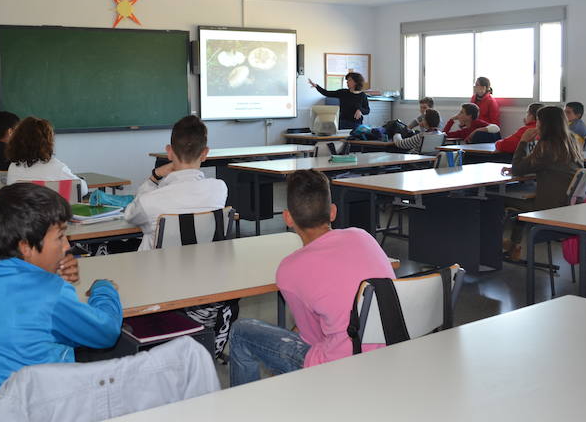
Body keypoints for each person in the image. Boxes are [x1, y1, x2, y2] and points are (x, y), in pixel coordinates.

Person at [0, 183, 122, 422]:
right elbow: (106, 332)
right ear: (25, 246)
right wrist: (103, 289)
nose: (67, 246)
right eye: (60, 237)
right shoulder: (50, 293)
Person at [228, 170, 394, 387]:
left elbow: (313, 338)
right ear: (332, 212)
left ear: (288, 218)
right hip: (388, 353)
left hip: (337, 370)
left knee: (241, 331)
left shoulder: (289, 270)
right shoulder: (363, 236)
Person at [124, 115, 233, 355]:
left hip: (157, 286)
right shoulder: (219, 189)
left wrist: (155, 177)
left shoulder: (151, 200)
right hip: (206, 283)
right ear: (205, 153)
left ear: (169, 152)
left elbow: (130, 215)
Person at [501, 106, 583, 260]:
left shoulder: (547, 145)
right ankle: (513, 246)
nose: (537, 124)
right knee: (523, 199)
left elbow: (518, 169)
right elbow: (548, 166)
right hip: (566, 204)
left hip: (548, 207)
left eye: (538, 120)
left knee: (498, 199)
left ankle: (497, 245)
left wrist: (523, 142)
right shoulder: (571, 141)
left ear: (545, 123)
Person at [5, 116, 88, 197]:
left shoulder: (13, 167)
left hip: (21, 207)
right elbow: (82, 190)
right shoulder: (56, 167)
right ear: (48, 142)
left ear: (16, 140)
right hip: (48, 206)